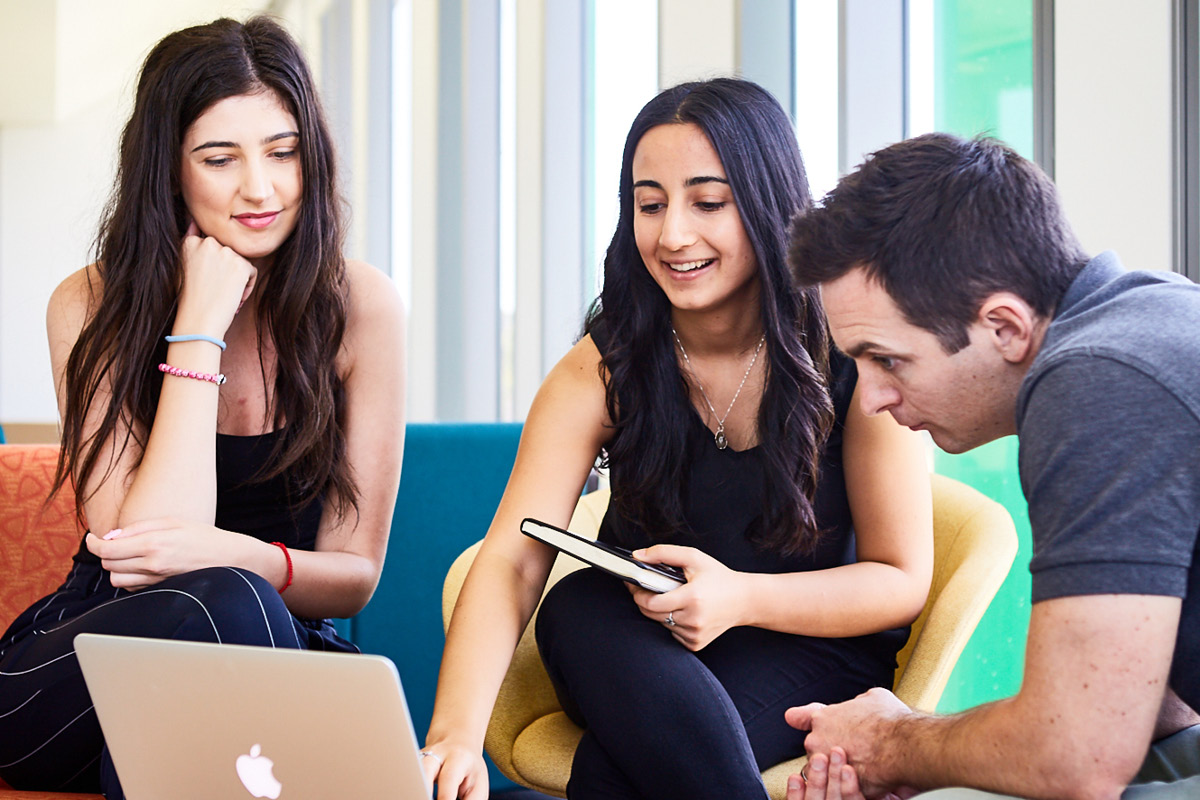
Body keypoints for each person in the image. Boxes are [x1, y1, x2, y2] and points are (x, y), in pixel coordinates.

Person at [422, 78, 931, 800]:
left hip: (808, 650)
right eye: (650, 204)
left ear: (767, 204)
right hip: (641, 646)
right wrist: (454, 737)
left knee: (614, 772)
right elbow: (511, 559)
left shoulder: (850, 348)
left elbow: (900, 579)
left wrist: (738, 599)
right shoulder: (604, 364)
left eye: (708, 202)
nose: (673, 235)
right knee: (576, 608)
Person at [0, 17, 405, 798]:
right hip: (88, 667)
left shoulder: (361, 308)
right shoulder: (89, 304)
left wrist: (245, 558)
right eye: (221, 158)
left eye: (283, 153)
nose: (261, 188)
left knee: (232, 619)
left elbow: (354, 577)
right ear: (171, 171)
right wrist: (198, 330)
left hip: (278, 652)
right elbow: (139, 553)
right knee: (221, 603)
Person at [783, 132, 1200, 800]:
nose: (871, 396)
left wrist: (891, 746)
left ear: (1003, 327)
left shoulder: (1099, 382)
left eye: (886, 359)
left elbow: (1076, 757)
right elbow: (1142, 709)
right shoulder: (1151, 315)